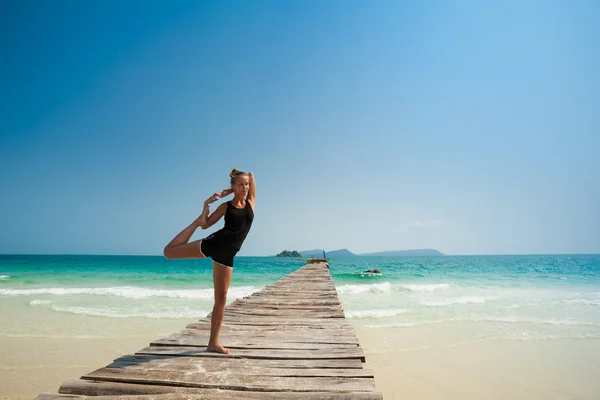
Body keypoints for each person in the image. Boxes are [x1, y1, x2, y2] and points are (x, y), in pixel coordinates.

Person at [163, 169, 255, 354]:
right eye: (240, 185)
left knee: (221, 298)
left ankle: (213, 343)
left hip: (228, 255)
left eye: (245, 184)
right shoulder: (225, 207)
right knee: (169, 252)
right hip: (215, 243)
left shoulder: (250, 203)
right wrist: (205, 207)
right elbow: (206, 225)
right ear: (234, 186)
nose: (244, 187)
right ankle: (192, 222)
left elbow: (251, 175)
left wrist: (229, 189)